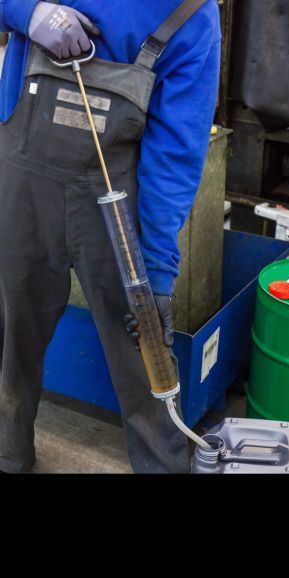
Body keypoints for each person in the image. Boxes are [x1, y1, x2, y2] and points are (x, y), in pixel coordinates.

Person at [0, 0, 221, 474]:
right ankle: (6, 453)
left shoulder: (192, 16)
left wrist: (155, 273)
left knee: (144, 349)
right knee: (8, 333)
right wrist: (24, 10)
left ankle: (162, 466)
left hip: (116, 204)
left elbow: (176, 154)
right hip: (21, 185)